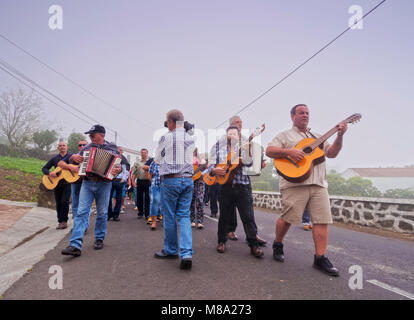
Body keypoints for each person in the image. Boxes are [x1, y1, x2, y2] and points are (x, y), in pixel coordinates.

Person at [266, 104, 347, 276]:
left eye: (307, 113)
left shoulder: (317, 136)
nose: (305, 115)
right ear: (293, 116)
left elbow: (332, 153)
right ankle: (278, 243)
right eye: (301, 112)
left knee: (322, 220)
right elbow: (269, 151)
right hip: (294, 183)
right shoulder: (284, 135)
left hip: (318, 183)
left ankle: (320, 258)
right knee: (288, 218)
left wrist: (340, 135)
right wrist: (290, 152)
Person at [61, 125, 122, 257]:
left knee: (102, 212)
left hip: (104, 184)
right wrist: (74, 158)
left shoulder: (112, 148)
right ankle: (75, 245)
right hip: (87, 183)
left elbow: (119, 166)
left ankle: (99, 238)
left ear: (101, 135)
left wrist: (118, 170)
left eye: (92, 135)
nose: (90, 138)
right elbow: (71, 158)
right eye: (90, 135)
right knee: (82, 212)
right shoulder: (87, 148)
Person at [209, 126, 264, 259]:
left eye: (235, 134)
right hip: (225, 188)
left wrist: (245, 157)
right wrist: (214, 170)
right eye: (230, 133)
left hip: (242, 186)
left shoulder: (244, 148)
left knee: (248, 217)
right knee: (223, 217)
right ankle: (221, 242)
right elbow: (211, 166)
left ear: (239, 136)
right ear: (226, 136)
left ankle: (253, 245)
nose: (232, 135)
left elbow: (250, 164)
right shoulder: (219, 150)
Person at [153, 109, 194, 270]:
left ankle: (171, 250)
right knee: (184, 216)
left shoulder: (166, 137)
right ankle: (186, 253)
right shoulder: (190, 138)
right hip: (188, 180)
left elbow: (157, 159)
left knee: (169, 216)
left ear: (170, 122)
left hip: (171, 180)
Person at [222, 115, 267, 246]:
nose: (240, 124)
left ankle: (254, 235)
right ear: (231, 125)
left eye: (241, 122)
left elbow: (251, 151)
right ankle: (230, 230)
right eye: (237, 122)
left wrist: (260, 161)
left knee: (248, 212)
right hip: (228, 180)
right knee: (229, 210)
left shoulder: (245, 139)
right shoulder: (226, 139)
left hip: (243, 179)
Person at [42, 141, 73, 230]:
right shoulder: (54, 158)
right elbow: (44, 168)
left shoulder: (71, 157)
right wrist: (49, 173)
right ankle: (60, 222)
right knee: (58, 203)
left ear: (67, 147)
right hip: (56, 183)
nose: (62, 147)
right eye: (60, 146)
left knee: (64, 201)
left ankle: (64, 221)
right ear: (58, 148)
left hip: (67, 183)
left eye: (64, 145)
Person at [108, 146, 129, 221]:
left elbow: (126, 171)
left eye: (120, 150)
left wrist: (123, 179)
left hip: (119, 180)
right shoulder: (112, 158)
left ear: (122, 151)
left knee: (119, 198)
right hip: (111, 180)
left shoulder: (123, 159)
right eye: (117, 150)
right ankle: (109, 214)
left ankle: (116, 215)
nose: (118, 151)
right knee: (108, 198)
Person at [132, 149, 151, 220]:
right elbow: (134, 173)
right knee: (139, 198)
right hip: (140, 181)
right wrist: (133, 182)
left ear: (147, 153)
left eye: (145, 153)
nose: (143, 154)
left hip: (148, 182)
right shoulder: (137, 163)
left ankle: (147, 214)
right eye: (142, 153)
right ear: (140, 154)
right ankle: (140, 212)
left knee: (147, 198)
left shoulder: (150, 162)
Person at [190, 148, 207, 229]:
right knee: (191, 201)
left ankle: (200, 221)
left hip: (200, 181)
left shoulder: (200, 159)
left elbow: (207, 167)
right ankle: (192, 220)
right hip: (190, 181)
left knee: (200, 200)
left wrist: (201, 173)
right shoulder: (187, 159)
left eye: (195, 150)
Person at [148, 158, 161, 230]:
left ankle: (166, 221)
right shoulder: (154, 162)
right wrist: (153, 183)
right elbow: (149, 174)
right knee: (155, 202)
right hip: (155, 185)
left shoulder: (169, 161)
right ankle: (154, 222)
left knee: (166, 204)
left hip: (166, 186)